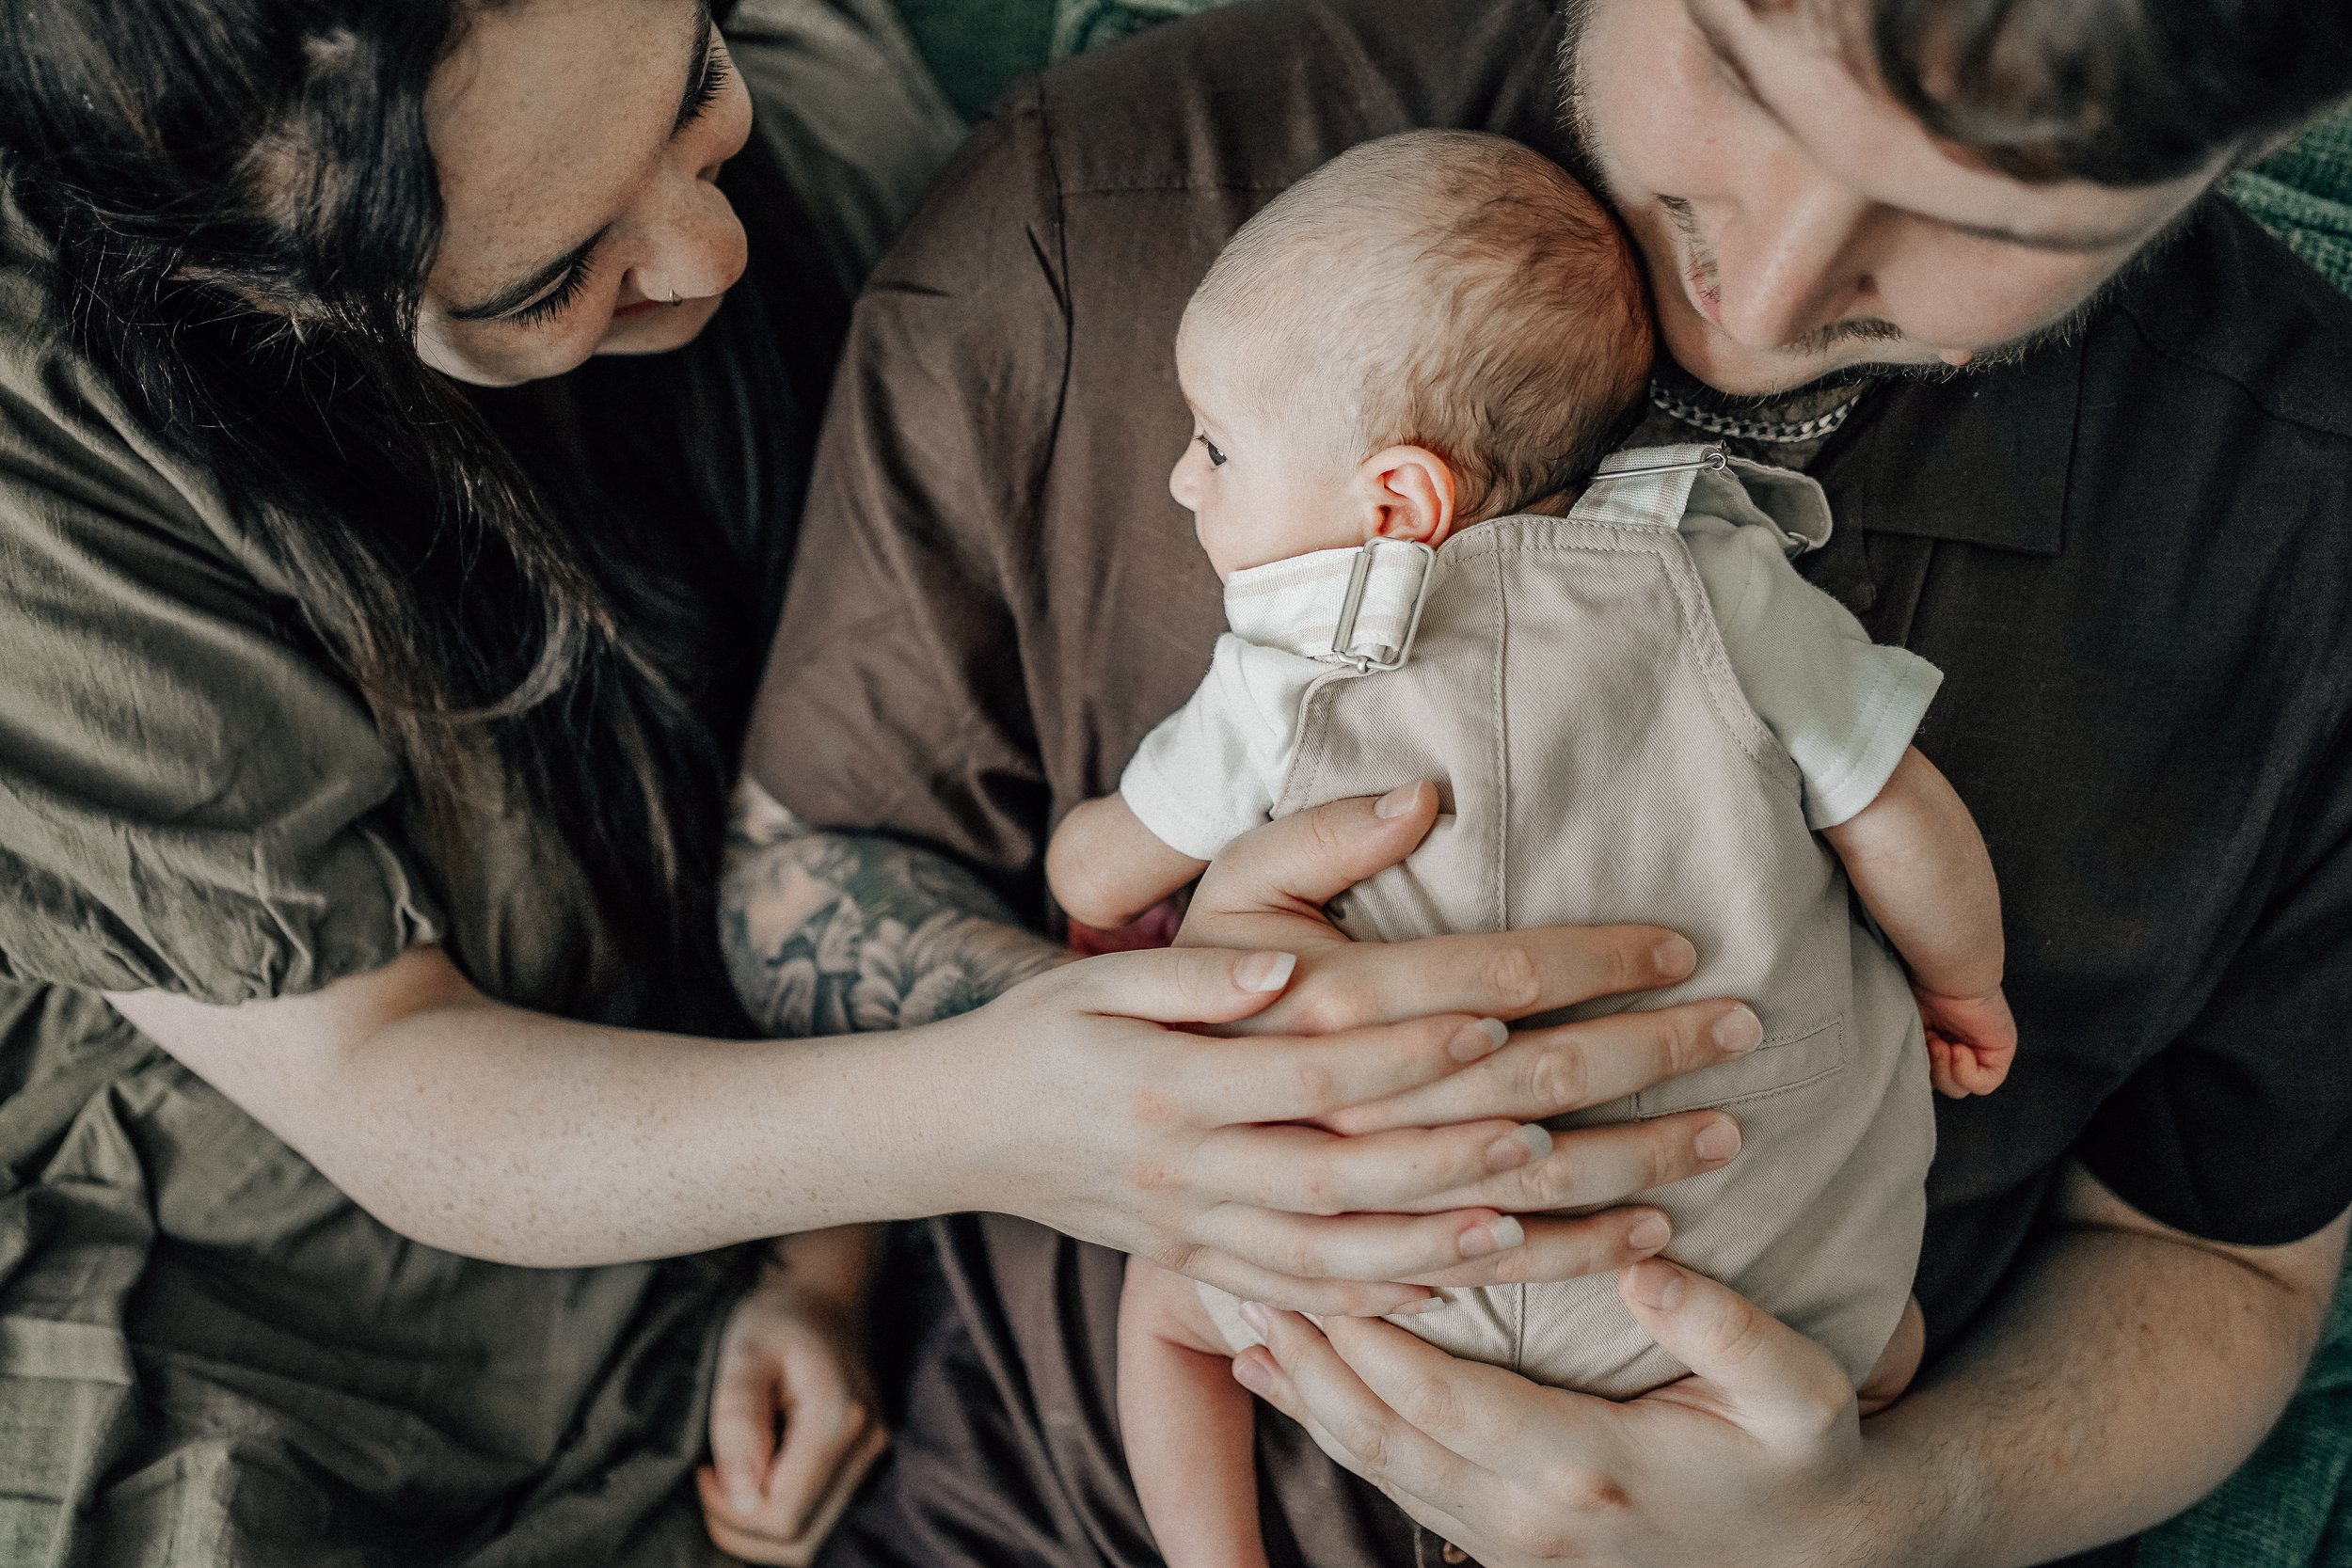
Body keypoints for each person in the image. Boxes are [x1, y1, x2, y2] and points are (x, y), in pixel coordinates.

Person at [0, 2, 1735, 1563]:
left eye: (699, 88)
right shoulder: (60, 476)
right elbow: (394, 1085)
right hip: (366, 1204)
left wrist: (815, 1260)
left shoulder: (918, 209)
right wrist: (1002, 1122)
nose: (708, 252)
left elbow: (911, 795)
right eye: (542, 281)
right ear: (246, 295)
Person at [727, 0, 2352, 1564]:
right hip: (1027, 1516)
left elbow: (2220, 1259)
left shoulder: (2302, 529)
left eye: (1991, 218)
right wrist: (1177, 1084)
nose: (1771, 291)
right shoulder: (1102, 198)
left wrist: (1885, 1523)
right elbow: (817, 867)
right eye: (1737, 67)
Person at [1054, 128, 2014, 1568]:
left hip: (1392, 1275)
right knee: (1882, 1349)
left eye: (1216, 444)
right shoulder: (1716, 577)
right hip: (1717, 1270)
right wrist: (1966, 986)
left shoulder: (1290, 659)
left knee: (1170, 1313)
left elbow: (1106, 869)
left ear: (1397, 504)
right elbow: (1898, 808)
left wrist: (1087, 888)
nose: (1186, 481)